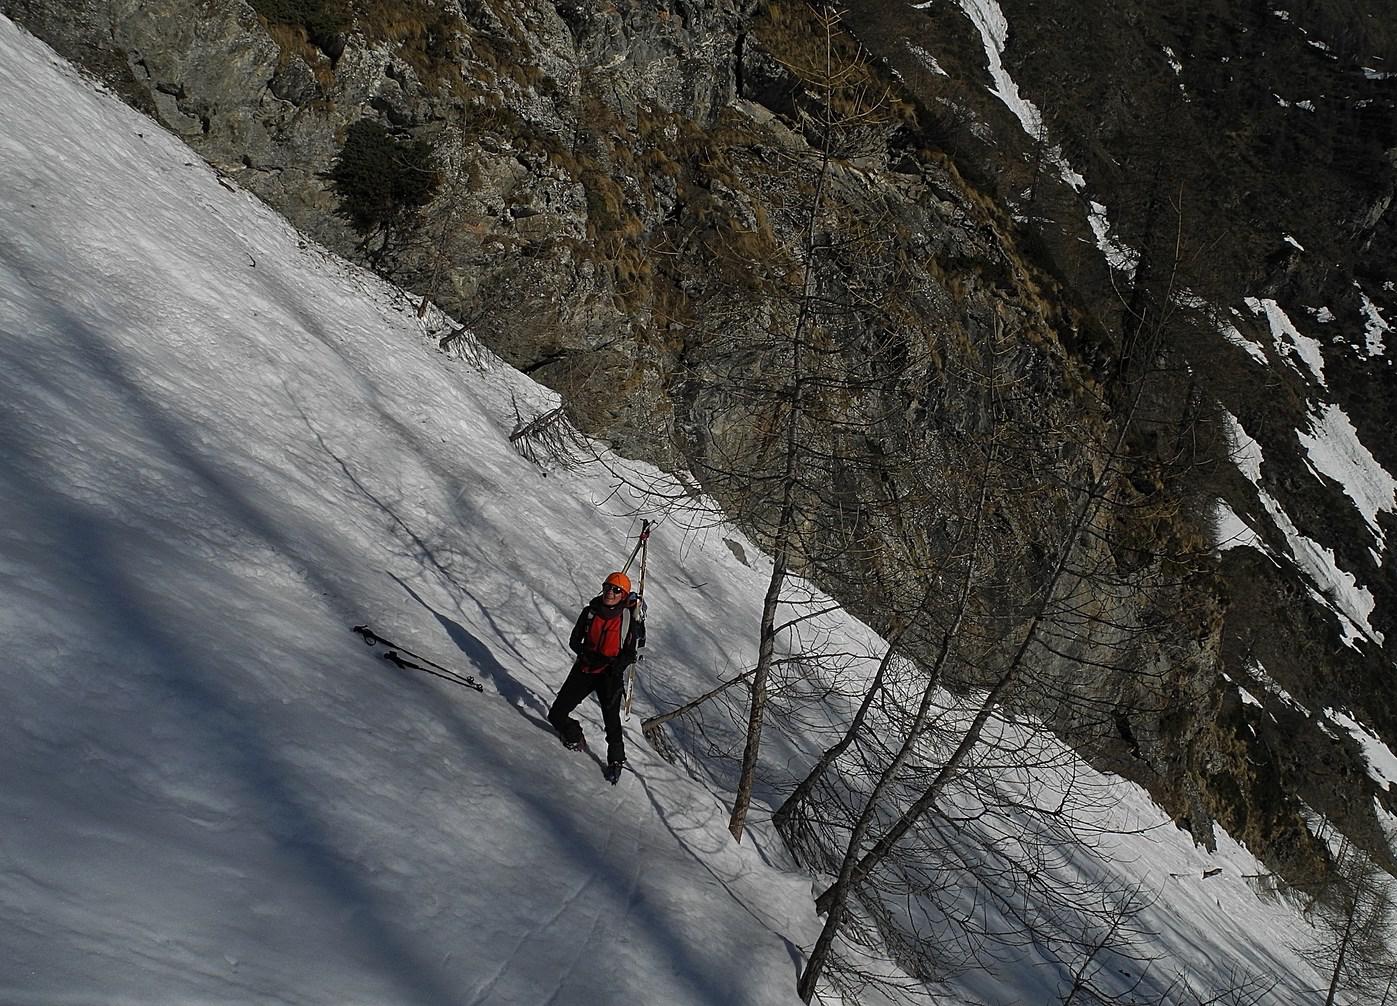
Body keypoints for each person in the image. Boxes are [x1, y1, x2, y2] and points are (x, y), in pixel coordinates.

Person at [548, 571, 645, 773]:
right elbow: (575, 640)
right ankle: (573, 734)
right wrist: (585, 654)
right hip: (585, 668)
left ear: (624, 595)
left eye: (617, 590)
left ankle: (616, 761)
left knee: (611, 722)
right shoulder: (590, 612)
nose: (610, 592)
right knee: (557, 713)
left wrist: (616, 666)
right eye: (608, 587)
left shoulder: (627, 620)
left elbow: (630, 653)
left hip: (609, 675)